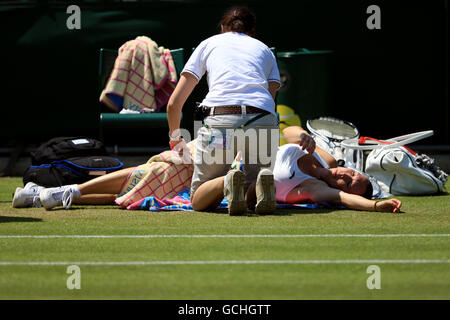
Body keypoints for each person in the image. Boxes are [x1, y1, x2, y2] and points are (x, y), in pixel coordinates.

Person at [166, 6, 281, 215]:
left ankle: (225, 181)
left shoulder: (208, 44)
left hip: (220, 120)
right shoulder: (265, 50)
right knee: (251, 184)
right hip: (262, 119)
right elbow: (270, 101)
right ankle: (256, 182)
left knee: (199, 197)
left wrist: (176, 138)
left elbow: (174, 103)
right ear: (252, 31)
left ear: (222, 27)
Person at [277, 126, 402, 213]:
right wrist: (304, 136)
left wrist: (376, 206)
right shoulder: (329, 160)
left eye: (348, 184)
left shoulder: (315, 188)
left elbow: (343, 198)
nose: (345, 175)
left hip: (257, 178)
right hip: (261, 147)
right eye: (352, 173)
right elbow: (288, 131)